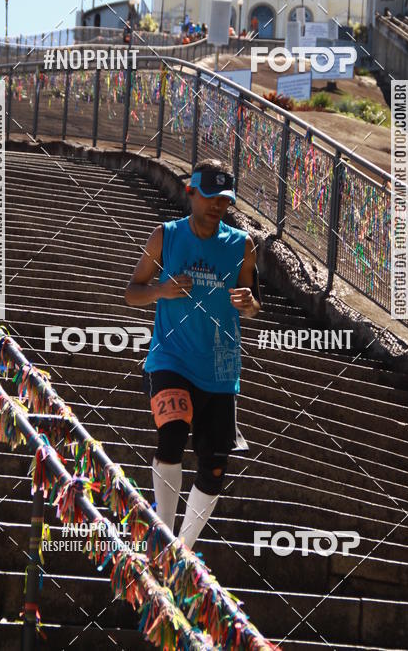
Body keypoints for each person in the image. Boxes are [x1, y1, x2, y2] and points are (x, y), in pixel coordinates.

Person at [125, 158, 262, 550]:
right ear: (191, 193)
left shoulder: (242, 246)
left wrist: (249, 304)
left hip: (220, 366)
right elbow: (132, 291)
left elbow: (253, 305)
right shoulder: (165, 237)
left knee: (215, 467)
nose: (218, 205)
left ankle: (181, 550)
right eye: (211, 196)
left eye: (225, 199)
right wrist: (160, 291)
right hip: (171, 358)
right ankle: (162, 538)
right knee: (172, 432)